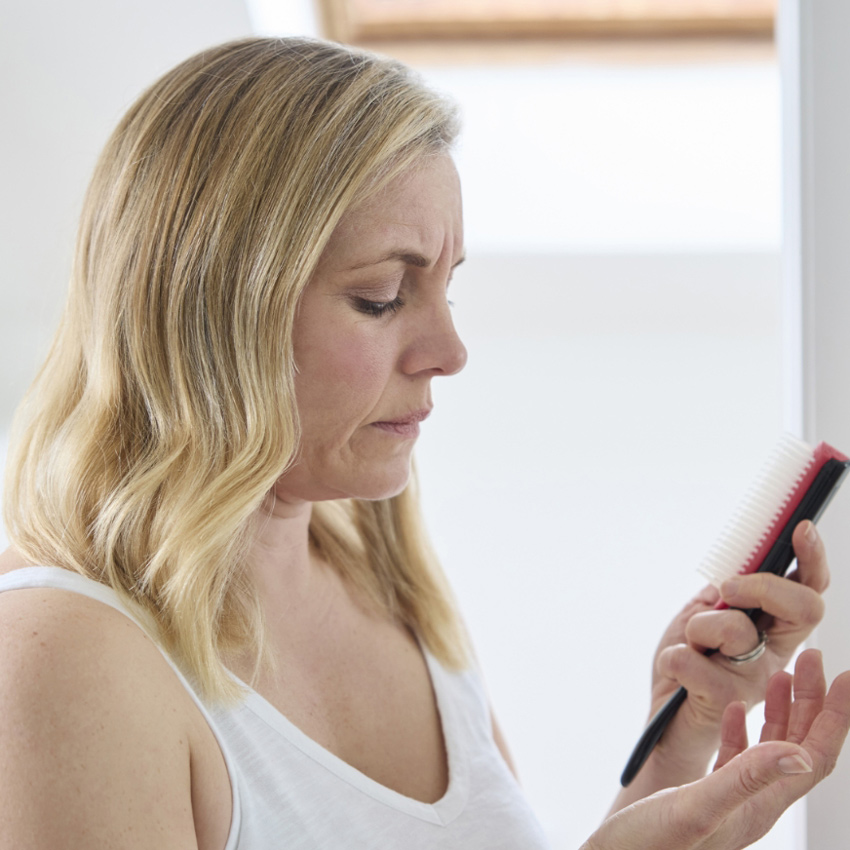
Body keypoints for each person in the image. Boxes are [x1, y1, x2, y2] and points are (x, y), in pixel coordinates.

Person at [0, 36, 847, 850]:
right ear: (210, 312)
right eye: (380, 296)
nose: (450, 352)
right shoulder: (64, 656)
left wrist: (678, 748)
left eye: (447, 287)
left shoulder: (391, 590)